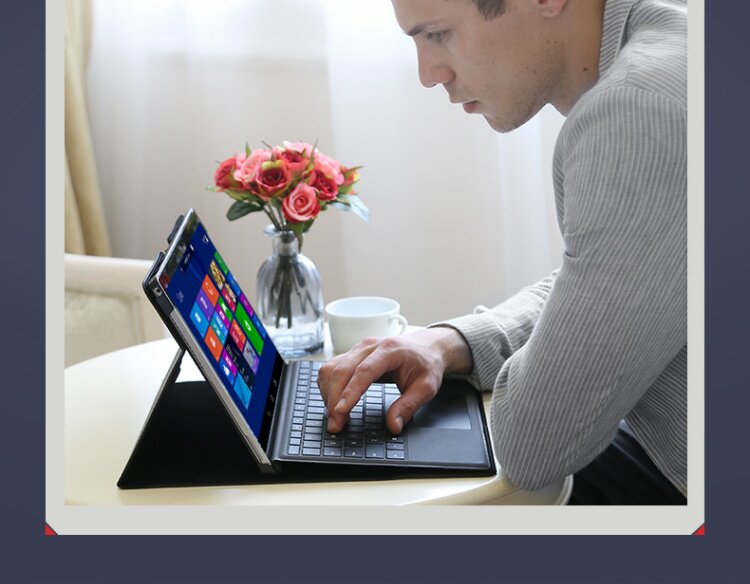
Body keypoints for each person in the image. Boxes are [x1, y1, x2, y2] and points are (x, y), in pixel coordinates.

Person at [318, 0, 687, 504]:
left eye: (438, 34)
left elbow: (535, 443)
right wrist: (450, 343)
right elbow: (619, 276)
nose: (429, 75)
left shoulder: (638, 110)